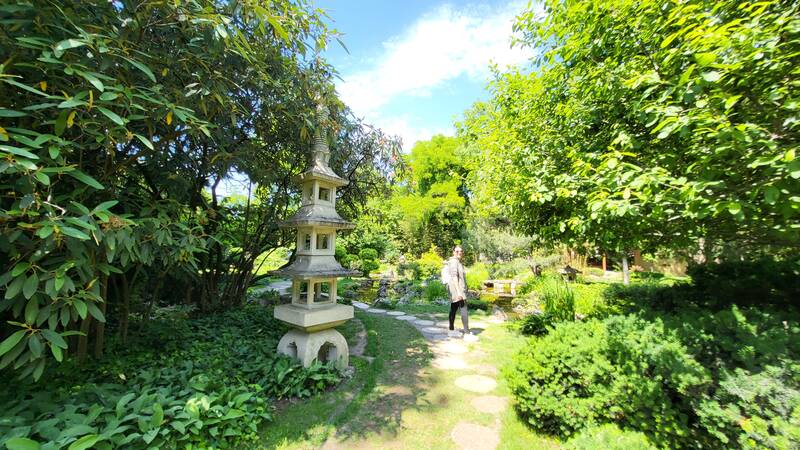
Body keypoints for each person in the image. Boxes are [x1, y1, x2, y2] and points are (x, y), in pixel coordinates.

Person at [445, 245, 469, 335]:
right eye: (457, 251)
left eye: (461, 251)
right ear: (453, 252)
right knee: (464, 308)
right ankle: (466, 332)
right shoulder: (454, 262)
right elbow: (454, 276)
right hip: (457, 288)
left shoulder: (457, 262)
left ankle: (451, 328)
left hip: (456, 288)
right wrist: (459, 292)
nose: (459, 253)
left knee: (454, 307)